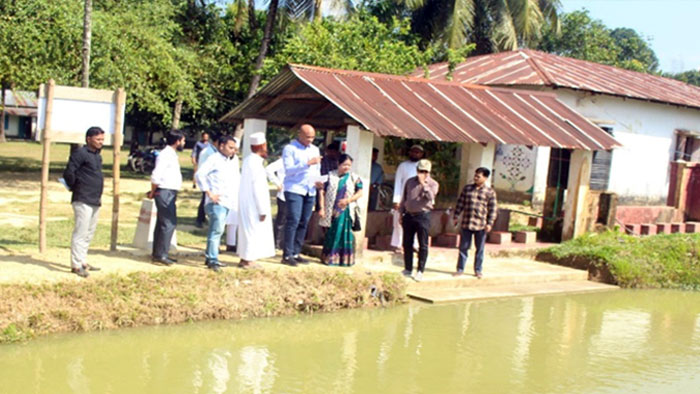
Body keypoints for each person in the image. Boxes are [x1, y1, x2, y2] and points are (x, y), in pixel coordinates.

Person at [63, 127, 105, 278]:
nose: (101, 142)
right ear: (88, 139)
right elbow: (69, 172)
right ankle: (75, 264)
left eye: (102, 139)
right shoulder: (80, 153)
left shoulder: (97, 156)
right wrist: (75, 186)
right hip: (83, 198)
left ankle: (83, 261)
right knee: (80, 232)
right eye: (98, 139)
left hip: (95, 199)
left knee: (89, 232)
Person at [195, 135, 239, 272]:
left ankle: (212, 257)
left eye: (235, 148)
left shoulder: (229, 161)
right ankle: (212, 259)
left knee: (218, 231)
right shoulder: (214, 159)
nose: (233, 151)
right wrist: (209, 193)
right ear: (221, 146)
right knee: (216, 230)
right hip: (216, 202)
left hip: (227, 201)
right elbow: (199, 175)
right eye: (230, 147)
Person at [281, 124, 323, 266]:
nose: (310, 140)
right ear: (300, 134)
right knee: (293, 219)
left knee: (304, 221)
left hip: (309, 189)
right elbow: (289, 170)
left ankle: (296, 252)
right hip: (294, 188)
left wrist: (318, 182)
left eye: (312, 137)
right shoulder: (290, 149)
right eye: (307, 137)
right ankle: (287, 254)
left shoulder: (315, 149)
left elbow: (316, 170)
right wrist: (307, 163)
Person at [237, 132, 276, 268]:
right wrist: (262, 209)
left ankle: (244, 258)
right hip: (254, 204)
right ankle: (248, 260)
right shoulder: (255, 164)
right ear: (262, 146)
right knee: (252, 231)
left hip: (247, 203)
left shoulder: (248, 160)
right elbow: (258, 188)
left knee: (247, 231)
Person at [318, 154, 363, 266]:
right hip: (330, 210)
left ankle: (344, 260)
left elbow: (360, 192)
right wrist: (321, 208)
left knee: (342, 234)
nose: (346, 167)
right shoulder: (329, 176)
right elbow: (321, 192)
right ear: (338, 164)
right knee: (330, 234)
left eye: (349, 165)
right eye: (344, 164)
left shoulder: (353, 177)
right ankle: (328, 258)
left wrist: (348, 200)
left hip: (345, 211)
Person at [452, 167, 498, 279]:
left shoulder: (490, 192)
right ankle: (460, 269)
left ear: (485, 178)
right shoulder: (467, 189)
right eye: (475, 175)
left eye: (479, 176)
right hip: (467, 223)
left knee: (480, 249)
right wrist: (456, 216)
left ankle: (478, 270)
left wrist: (489, 223)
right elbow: (460, 203)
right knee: (463, 247)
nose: (476, 178)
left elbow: (493, 209)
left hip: (481, 225)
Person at [148, 130, 185, 266]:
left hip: (169, 191)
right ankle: (161, 254)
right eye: (183, 141)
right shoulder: (165, 155)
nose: (184, 143)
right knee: (169, 223)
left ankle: (158, 253)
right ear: (177, 141)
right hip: (164, 191)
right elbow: (156, 175)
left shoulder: (171, 154)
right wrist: (153, 192)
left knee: (162, 222)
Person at [399, 159, 439, 281]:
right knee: (407, 243)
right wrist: (401, 213)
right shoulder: (410, 182)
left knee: (423, 244)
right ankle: (408, 268)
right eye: (421, 171)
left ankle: (420, 270)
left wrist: (423, 184)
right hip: (409, 215)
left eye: (425, 171)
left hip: (423, 215)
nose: (423, 173)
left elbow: (431, 197)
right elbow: (404, 198)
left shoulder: (433, 184)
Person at [392, 145, 424, 251]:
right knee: (399, 221)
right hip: (402, 198)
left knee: (415, 222)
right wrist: (396, 200)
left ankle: (414, 245)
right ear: (409, 152)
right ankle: (398, 244)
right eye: (413, 152)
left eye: (417, 152)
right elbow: (398, 182)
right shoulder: (403, 166)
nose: (415, 154)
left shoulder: (423, 167)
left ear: (421, 154)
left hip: (417, 200)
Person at [265, 156, 286, 249]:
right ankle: (276, 243)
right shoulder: (283, 161)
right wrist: (277, 183)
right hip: (284, 194)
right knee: (281, 219)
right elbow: (268, 169)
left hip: (297, 193)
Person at [192, 132, 211, 227]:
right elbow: (194, 154)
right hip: (205, 177)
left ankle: (202, 218)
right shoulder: (206, 150)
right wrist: (194, 161)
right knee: (204, 199)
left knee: (205, 199)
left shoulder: (209, 148)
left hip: (207, 177)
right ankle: (199, 219)